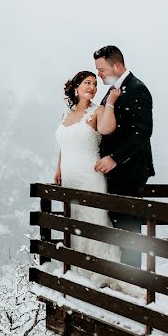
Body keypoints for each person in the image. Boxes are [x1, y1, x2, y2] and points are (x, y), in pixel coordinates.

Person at [92, 44, 155, 336]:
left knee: (128, 224)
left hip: (130, 171)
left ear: (117, 65)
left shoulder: (138, 89)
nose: (99, 74)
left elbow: (141, 132)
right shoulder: (114, 90)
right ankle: (124, 277)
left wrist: (115, 159)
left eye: (102, 69)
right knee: (117, 222)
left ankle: (133, 283)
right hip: (115, 172)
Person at [54, 70, 127, 290]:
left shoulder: (99, 110)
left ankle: (99, 272)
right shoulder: (67, 114)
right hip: (69, 177)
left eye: (95, 84)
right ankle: (76, 269)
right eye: (87, 82)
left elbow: (107, 128)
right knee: (73, 220)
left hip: (90, 176)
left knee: (92, 220)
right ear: (76, 87)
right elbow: (63, 146)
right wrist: (58, 170)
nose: (92, 87)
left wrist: (112, 102)